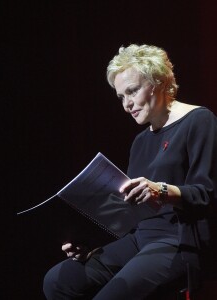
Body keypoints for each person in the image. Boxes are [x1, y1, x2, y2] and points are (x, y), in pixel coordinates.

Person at [43, 44, 217, 299]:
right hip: (139, 238)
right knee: (57, 281)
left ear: (158, 81)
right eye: (121, 96)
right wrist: (89, 242)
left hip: (178, 240)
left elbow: (208, 194)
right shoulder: (140, 141)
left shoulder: (199, 121)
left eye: (132, 92)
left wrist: (161, 190)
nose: (127, 105)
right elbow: (129, 212)